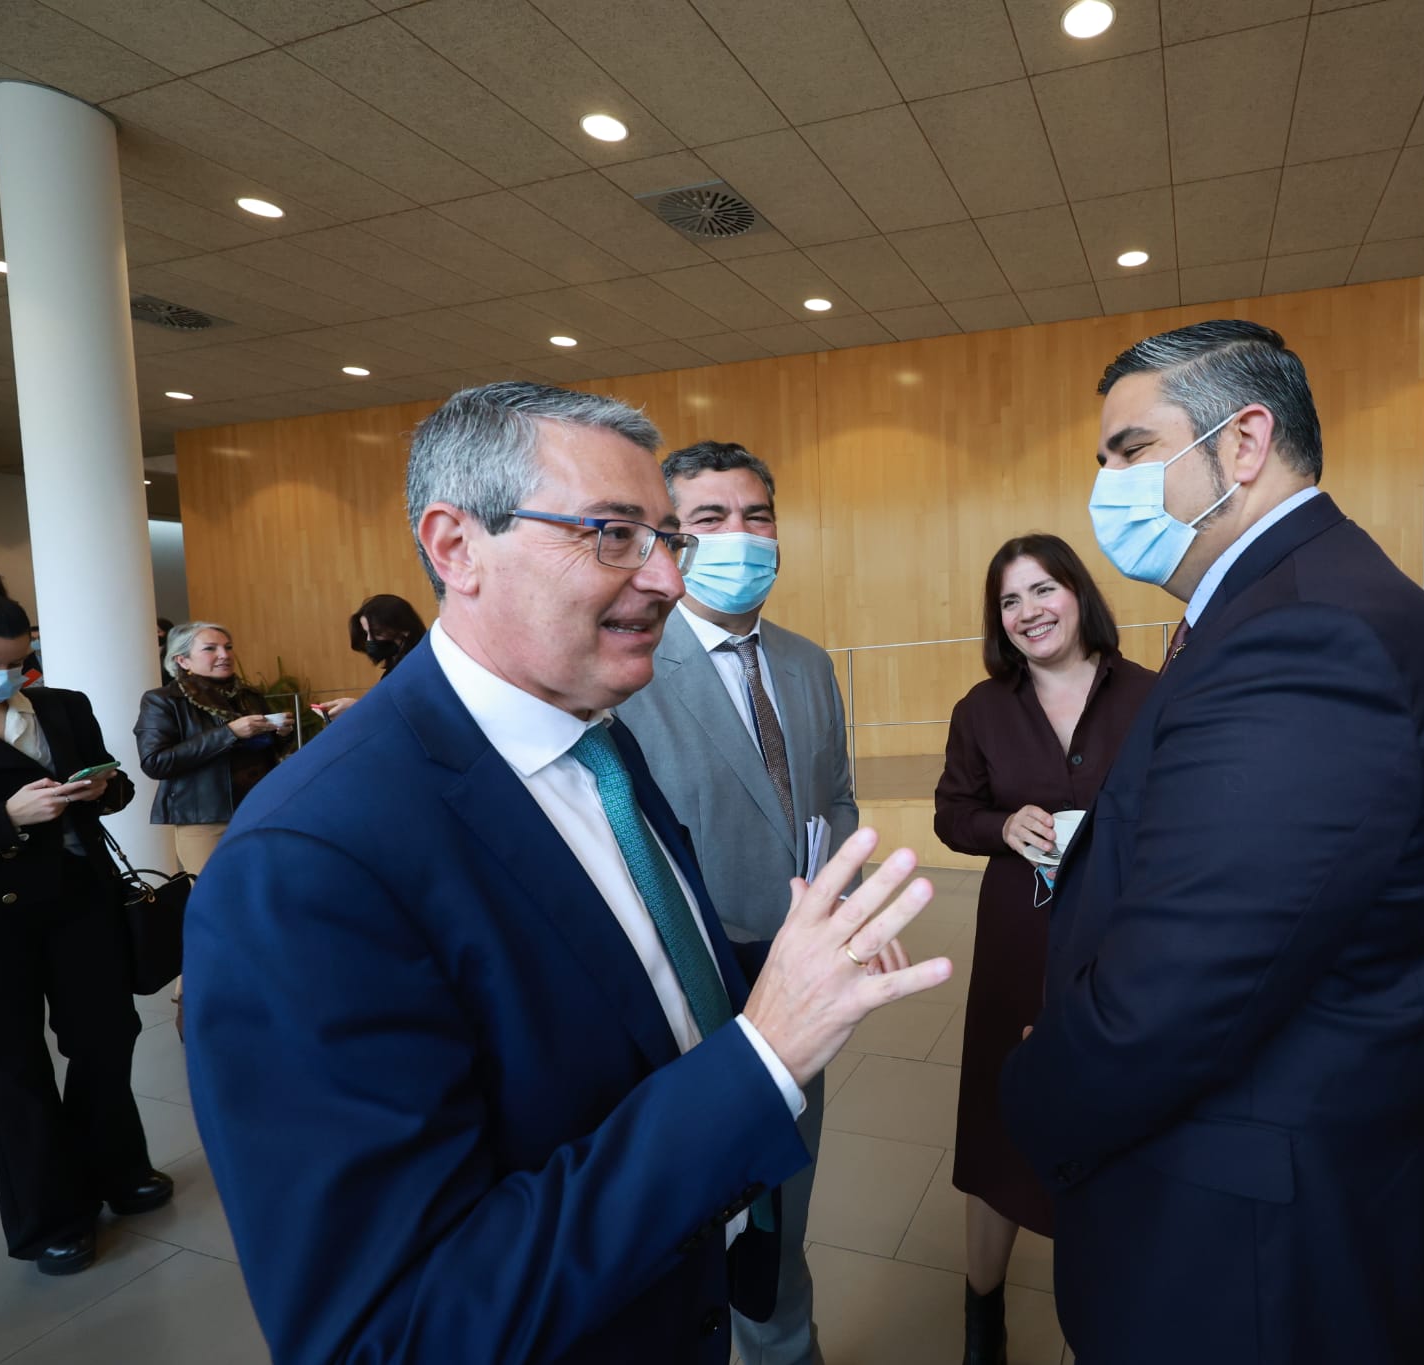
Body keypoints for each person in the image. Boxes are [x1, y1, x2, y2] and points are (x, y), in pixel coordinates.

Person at [182, 381, 952, 1364]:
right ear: (456, 546)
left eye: (664, 537)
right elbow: (396, 1329)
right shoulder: (305, 868)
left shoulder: (597, 740)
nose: (671, 579)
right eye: (612, 534)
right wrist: (761, 1057)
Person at [997, 320, 1424, 1365]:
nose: (1106, 485)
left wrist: (1033, 1087)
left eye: (1131, 451)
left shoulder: (1303, 632)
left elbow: (1185, 990)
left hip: (1262, 1233)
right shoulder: (1289, 600)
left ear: (1241, 445)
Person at [615, 440, 855, 1365]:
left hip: (800, 975)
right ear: (669, 538)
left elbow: (834, 796)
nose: (741, 536)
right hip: (682, 983)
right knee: (687, 1225)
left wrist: (837, 906)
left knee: (779, 1219)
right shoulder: (632, 664)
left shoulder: (804, 662)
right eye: (710, 519)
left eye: (758, 516)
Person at [933, 533, 1155, 1365]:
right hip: (1019, 947)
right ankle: (980, 1315)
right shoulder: (982, 710)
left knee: (1115, 1120)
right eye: (1009, 600)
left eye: (1043, 589)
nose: (1029, 611)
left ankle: (1111, 1300)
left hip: (1125, 948)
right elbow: (951, 814)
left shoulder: (1151, 696)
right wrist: (1001, 825)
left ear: (1078, 592)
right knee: (996, 1131)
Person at [0, 567, 171, 1276]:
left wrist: (102, 787)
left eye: (17, 661)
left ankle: (118, 1170)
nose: (4, 678)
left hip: (77, 901)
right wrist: (1, 820)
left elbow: (115, 780)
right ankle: (49, 1215)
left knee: (106, 1039)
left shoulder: (59, 705)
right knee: (9, 1067)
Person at [134, 622, 291, 881]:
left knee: (264, 889)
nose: (224, 655)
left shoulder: (247, 696)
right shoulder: (163, 700)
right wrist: (229, 733)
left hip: (260, 809)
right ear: (182, 660)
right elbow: (156, 762)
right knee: (216, 897)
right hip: (205, 817)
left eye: (228, 647)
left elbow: (265, 754)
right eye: (210, 648)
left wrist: (281, 735)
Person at [317, 593, 429, 720]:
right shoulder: (394, 669)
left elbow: (411, 715)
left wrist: (358, 708)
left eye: (377, 633)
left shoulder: (420, 667)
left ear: (404, 630)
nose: (369, 640)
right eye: (366, 633)